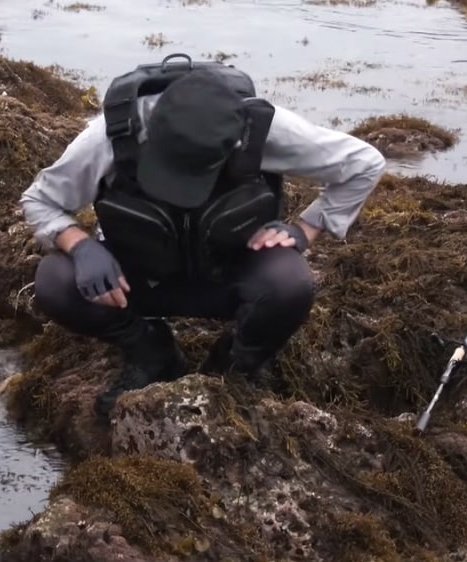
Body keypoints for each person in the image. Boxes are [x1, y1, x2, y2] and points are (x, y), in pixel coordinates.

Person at [19, 56, 386, 422]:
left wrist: (306, 230)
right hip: (136, 277)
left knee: (291, 284)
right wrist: (78, 244)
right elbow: (41, 199)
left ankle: (232, 367)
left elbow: (363, 163)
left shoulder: (263, 130)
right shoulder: (112, 135)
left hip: (230, 274)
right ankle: (150, 350)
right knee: (55, 281)